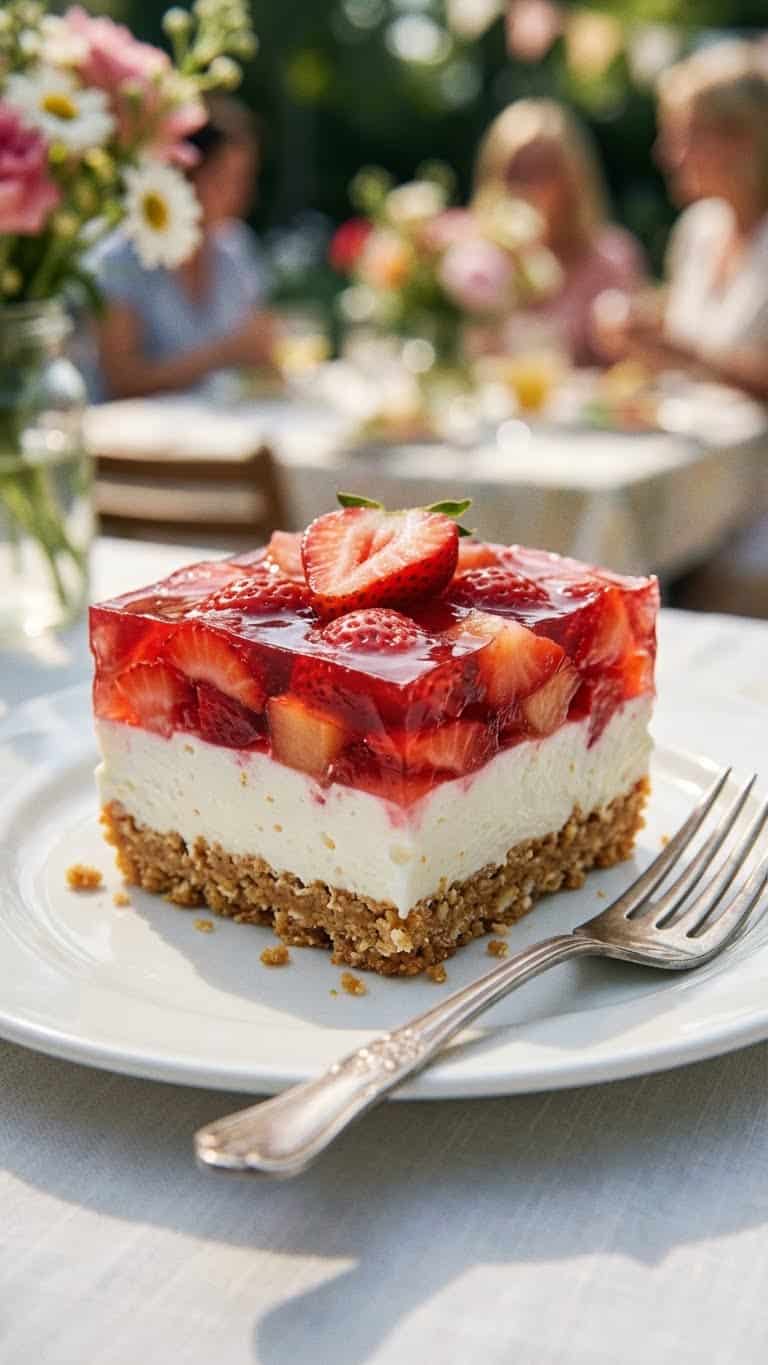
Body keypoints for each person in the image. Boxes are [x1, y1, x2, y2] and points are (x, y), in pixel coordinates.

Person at [606, 42, 768, 402]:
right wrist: (647, 331)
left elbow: (697, 355)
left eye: (685, 135)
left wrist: (684, 354)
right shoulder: (698, 228)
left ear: (743, 139)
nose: (666, 154)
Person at [93, 96, 276, 400]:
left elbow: (260, 350)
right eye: (224, 178)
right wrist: (224, 353)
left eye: (245, 179)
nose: (241, 194)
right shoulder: (122, 257)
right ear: (185, 176)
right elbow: (120, 382)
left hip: (217, 429)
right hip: (134, 439)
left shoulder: (236, 248)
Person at [472, 98, 645, 365]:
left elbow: (630, 367)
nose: (525, 185)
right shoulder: (475, 261)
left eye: (540, 169)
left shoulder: (611, 258)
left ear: (572, 179)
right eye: (514, 171)